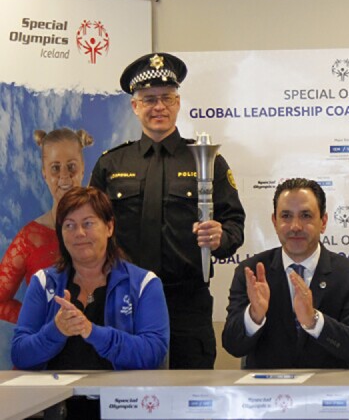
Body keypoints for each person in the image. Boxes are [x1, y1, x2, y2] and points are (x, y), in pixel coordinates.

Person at [90, 52, 245, 369]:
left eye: (166, 98)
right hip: (124, 297)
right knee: (126, 395)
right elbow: (90, 224)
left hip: (186, 300)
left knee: (191, 395)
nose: (158, 107)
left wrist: (220, 236)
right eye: (148, 99)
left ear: (177, 103)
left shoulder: (207, 160)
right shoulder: (111, 164)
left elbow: (234, 224)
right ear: (135, 106)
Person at [11, 187, 169, 419]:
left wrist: (91, 332)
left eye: (88, 223)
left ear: (109, 227)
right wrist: (56, 330)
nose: (79, 233)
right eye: (69, 225)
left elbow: (152, 353)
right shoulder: (44, 282)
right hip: (54, 408)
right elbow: (20, 354)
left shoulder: (145, 283)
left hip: (124, 408)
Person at [222, 178, 349, 369]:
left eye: (306, 215)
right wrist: (254, 316)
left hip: (328, 394)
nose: (295, 226)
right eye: (286, 216)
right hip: (265, 394)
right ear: (274, 222)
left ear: (323, 222)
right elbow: (232, 346)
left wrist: (313, 321)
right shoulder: (251, 272)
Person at [0, 128, 93, 324]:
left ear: (83, 167)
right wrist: (39, 321)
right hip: (48, 352)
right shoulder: (29, 240)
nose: (64, 177)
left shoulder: (106, 229)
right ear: (44, 173)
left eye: (71, 166)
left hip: (101, 350)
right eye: (55, 168)